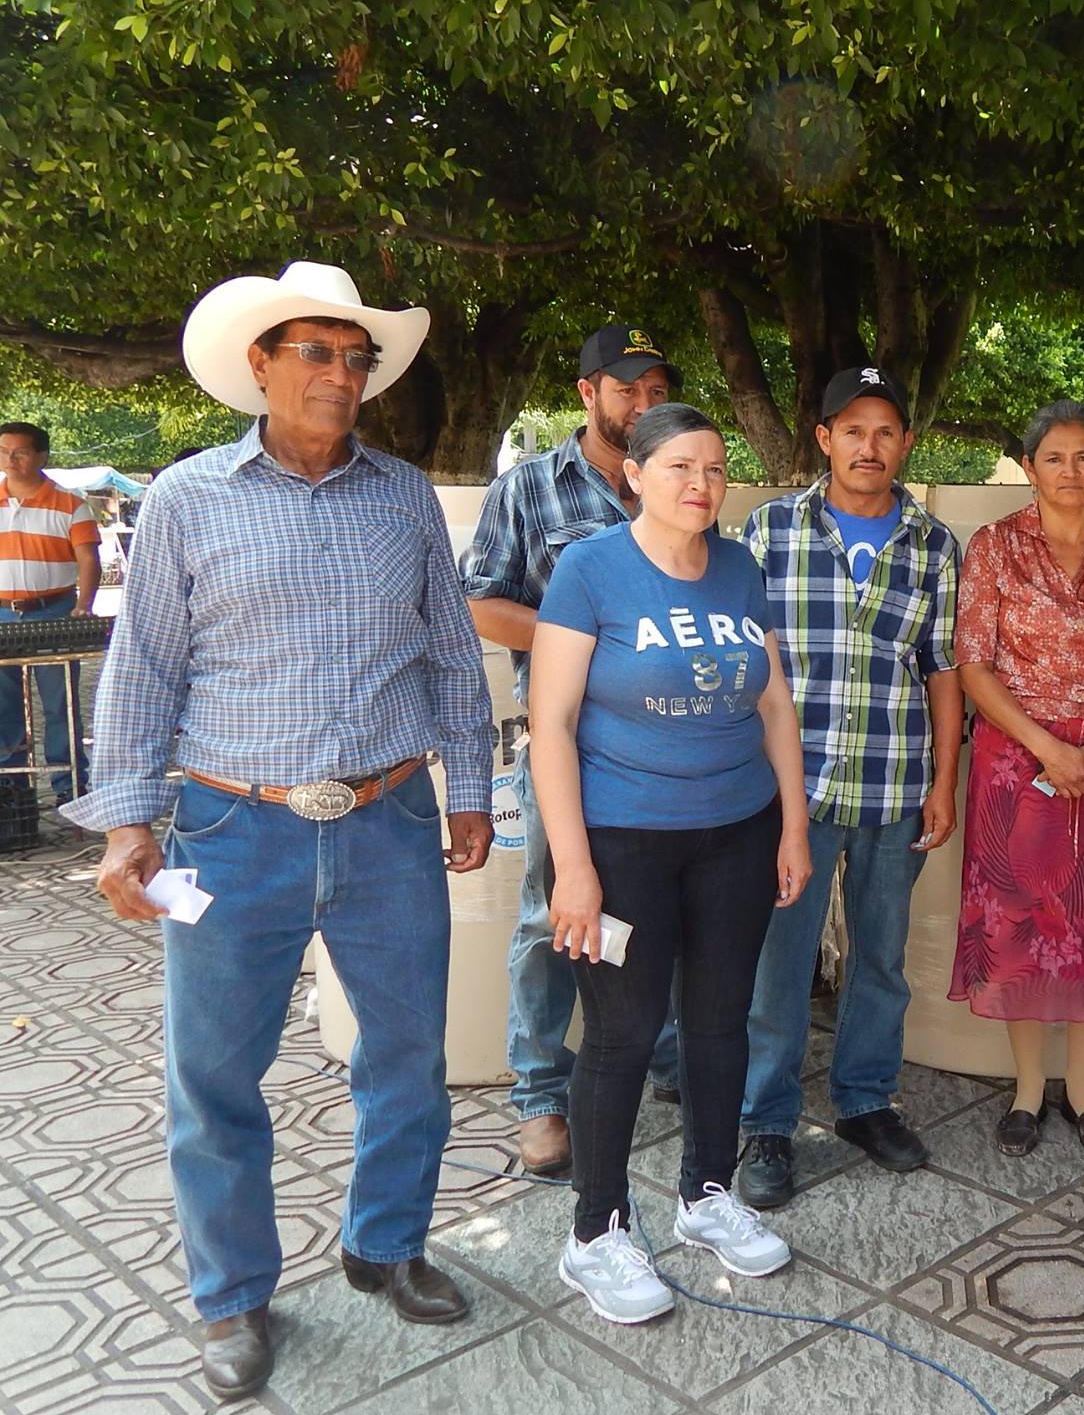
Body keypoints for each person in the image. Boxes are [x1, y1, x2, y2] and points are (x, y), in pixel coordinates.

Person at [65, 261, 495, 1400]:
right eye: (316, 352)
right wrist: (124, 826)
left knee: (406, 1057)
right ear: (259, 366)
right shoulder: (189, 497)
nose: (340, 375)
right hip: (227, 829)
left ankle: (385, 1243)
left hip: (387, 818)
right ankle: (234, 1299)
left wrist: (467, 792)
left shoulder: (402, 495)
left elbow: (450, 651)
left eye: (355, 358)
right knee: (215, 1077)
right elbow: (143, 667)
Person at [529, 402, 814, 1326]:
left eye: (717, 469)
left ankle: (706, 1195)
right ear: (636, 475)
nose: (702, 485)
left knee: (722, 1017)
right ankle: (596, 1232)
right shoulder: (590, 570)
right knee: (620, 1031)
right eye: (681, 467)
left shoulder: (738, 569)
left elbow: (774, 708)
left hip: (734, 829)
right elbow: (552, 727)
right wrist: (573, 867)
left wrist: (793, 827)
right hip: (622, 842)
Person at [734, 365, 963, 1208]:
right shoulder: (767, 531)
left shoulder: (934, 545)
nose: (870, 446)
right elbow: (747, 663)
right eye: (852, 430)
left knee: (882, 958)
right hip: (788, 791)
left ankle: (866, 1100)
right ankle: (767, 1119)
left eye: (887, 431)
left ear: (906, 444)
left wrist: (945, 781)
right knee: (779, 963)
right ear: (824, 438)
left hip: (893, 782)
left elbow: (943, 670)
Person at [460, 324, 682, 1179]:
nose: (645, 405)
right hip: (566, 747)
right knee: (550, 921)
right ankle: (542, 1096)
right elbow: (481, 603)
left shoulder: (677, 484)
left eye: (658, 391)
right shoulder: (530, 490)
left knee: (656, 915)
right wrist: (591, 640)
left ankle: (664, 1059)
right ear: (588, 393)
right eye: (629, 389)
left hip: (667, 750)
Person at [949, 400, 1084, 1157]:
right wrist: (1048, 746)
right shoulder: (993, 549)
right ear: (1028, 467)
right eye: (1054, 457)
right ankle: (1026, 1091)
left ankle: (1082, 1088)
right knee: (1020, 926)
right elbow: (973, 666)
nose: (1070, 471)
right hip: (1020, 762)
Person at [1, 420, 101, 805]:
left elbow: (87, 559)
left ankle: (69, 786)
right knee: (3, 702)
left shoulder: (71, 505)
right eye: (4, 451)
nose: (11, 459)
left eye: (20, 451)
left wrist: (83, 606)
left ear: (41, 455)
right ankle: (12, 786)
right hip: (3, 613)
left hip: (54, 610)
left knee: (60, 702)